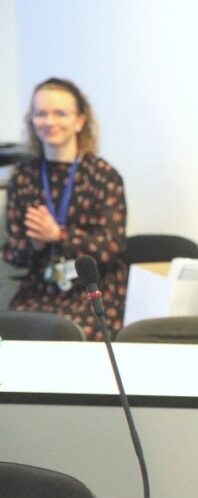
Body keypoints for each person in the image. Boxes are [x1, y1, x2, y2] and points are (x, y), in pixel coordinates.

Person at [3, 78, 127, 341]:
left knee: (72, 334)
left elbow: (111, 248)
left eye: (60, 113)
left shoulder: (103, 176)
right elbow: (12, 254)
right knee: (12, 333)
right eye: (41, 113)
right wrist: (35, 244)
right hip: (41, 288)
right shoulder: (23, 177)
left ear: (80, 121)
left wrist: (59, 235)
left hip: (92, 289)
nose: (50, 121)